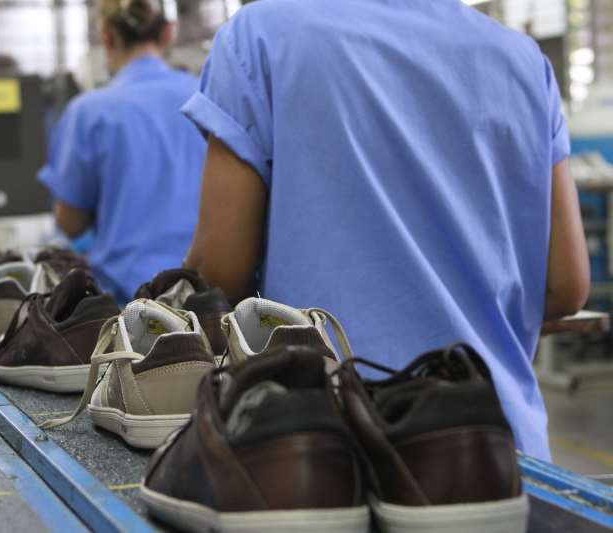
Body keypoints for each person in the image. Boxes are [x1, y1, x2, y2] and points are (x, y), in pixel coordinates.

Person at [182, 0, 589, 461]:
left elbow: (220, 273)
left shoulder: (261, 36)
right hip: (496, 445)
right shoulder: (523, 60)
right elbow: (566, 287)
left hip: (327, 443)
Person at [40, 0, 206, 304]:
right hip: (205, 295)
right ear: (168, 33)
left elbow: (71, 221)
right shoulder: (206, 98)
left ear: (107, 35)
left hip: (127, 301)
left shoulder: (89, 112)